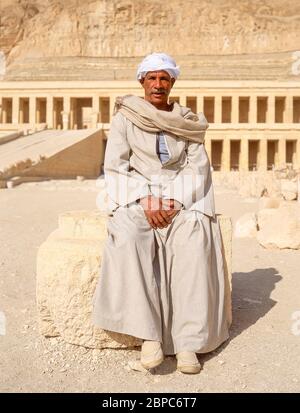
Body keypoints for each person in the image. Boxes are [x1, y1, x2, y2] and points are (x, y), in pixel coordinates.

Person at [92, 52, 230, 374]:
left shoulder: (188, 121)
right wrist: (146, 199)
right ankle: (149, 335)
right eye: (152, 78)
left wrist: (175, 201)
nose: (158, 84)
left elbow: (198, 165)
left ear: (172, 83)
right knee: (127, 235)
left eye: (164, 78)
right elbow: (115, 166)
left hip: (181, 195)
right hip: (140, 194)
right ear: (141, 82)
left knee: (194, 238)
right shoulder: (126, 117)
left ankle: (188, 342)